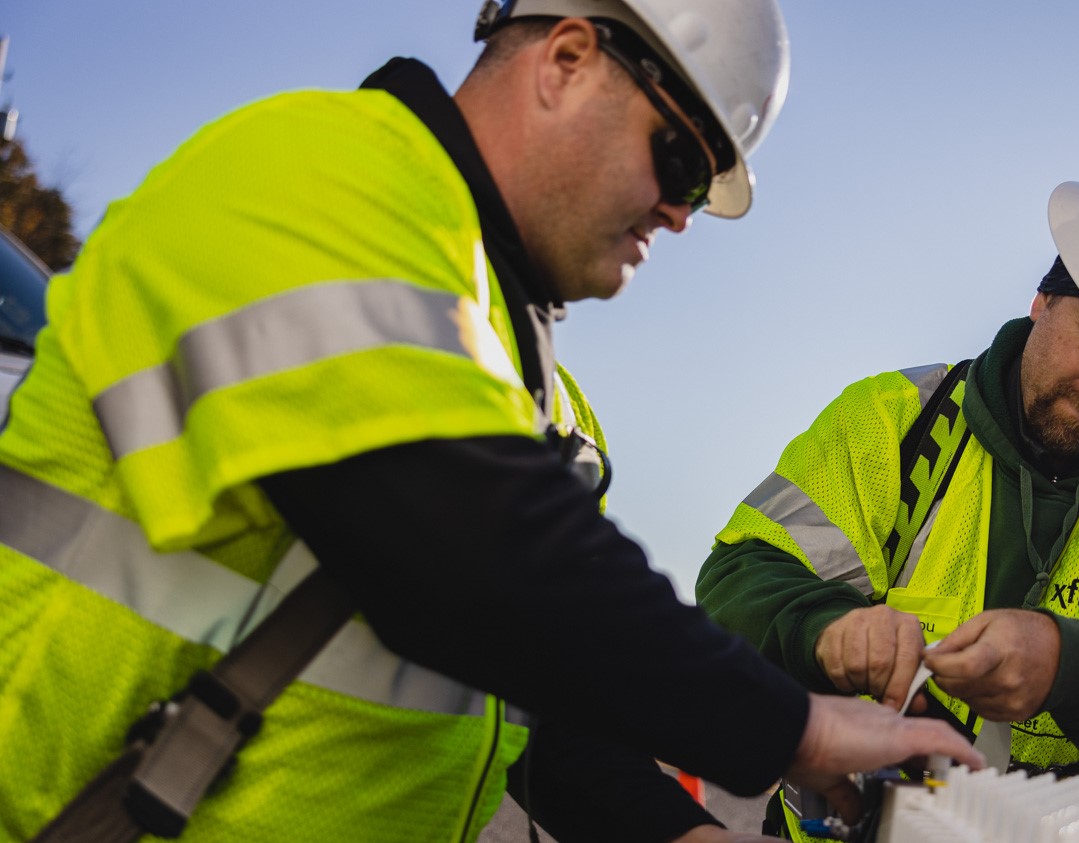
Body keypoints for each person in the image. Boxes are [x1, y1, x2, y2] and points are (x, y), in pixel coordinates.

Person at [0, 1, 984, 841]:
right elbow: (469, 554)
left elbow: (532, 699)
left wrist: (678, 831)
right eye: (681, 158)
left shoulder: (516, 378)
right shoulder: (319, 176)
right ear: (565, 59)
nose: (681, 214)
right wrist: (794, 729)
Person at [697, 148, 1079, 839]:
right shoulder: (892, 423)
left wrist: (1076, 667)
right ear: (1043, 298)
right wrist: (826, 629)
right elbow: (736, 584)